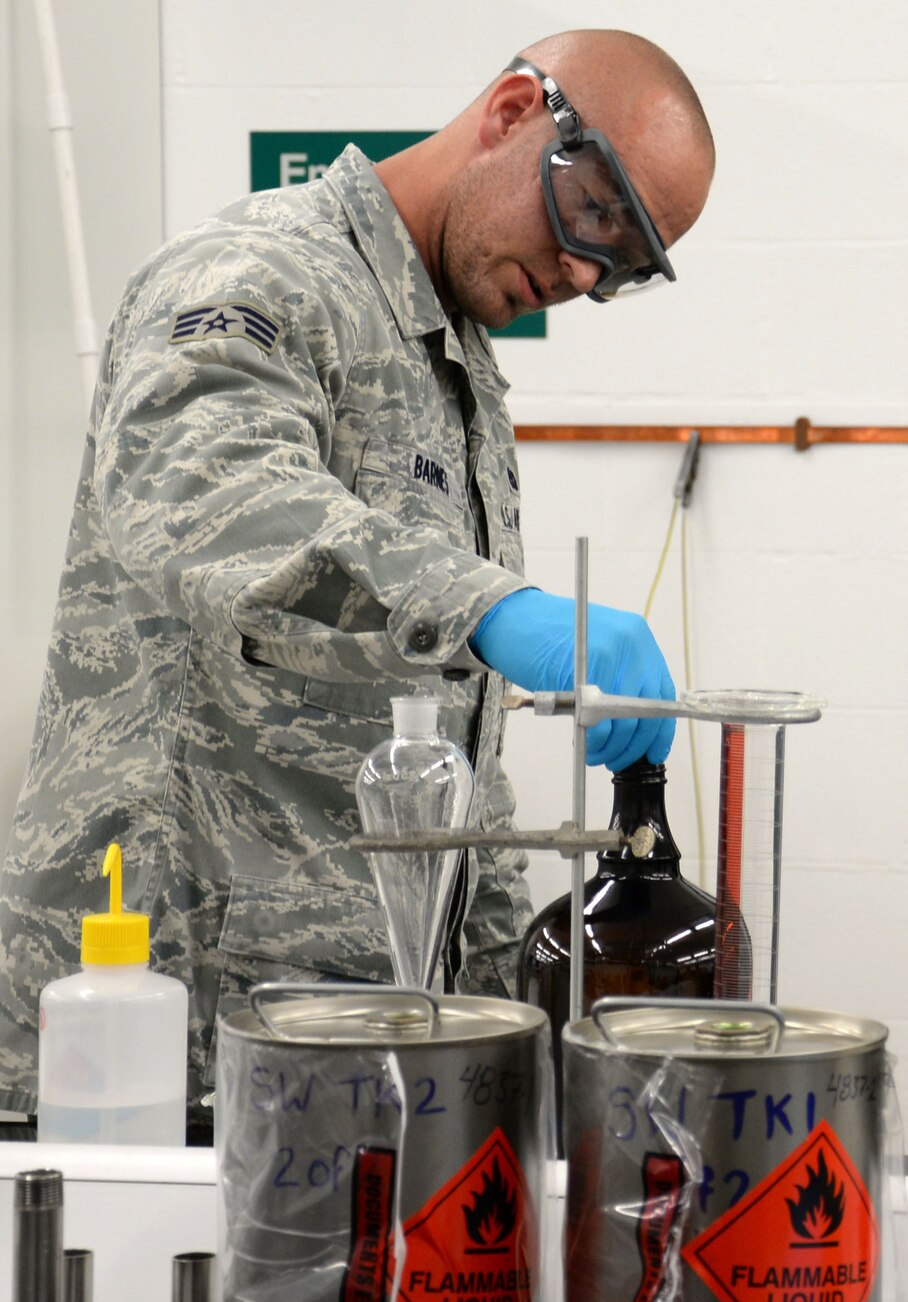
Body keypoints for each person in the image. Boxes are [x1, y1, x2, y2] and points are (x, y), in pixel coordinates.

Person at [0, 29, 716, 1125]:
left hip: (349, 1031)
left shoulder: (451, 357)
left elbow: (442, 733)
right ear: (516, 108)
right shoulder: (258, 272)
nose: (583, 270)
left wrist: (502, 1009)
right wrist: (494, 606)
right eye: (596, 213)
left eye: (625, 264)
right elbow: (213, 501)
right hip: (172, 1022)